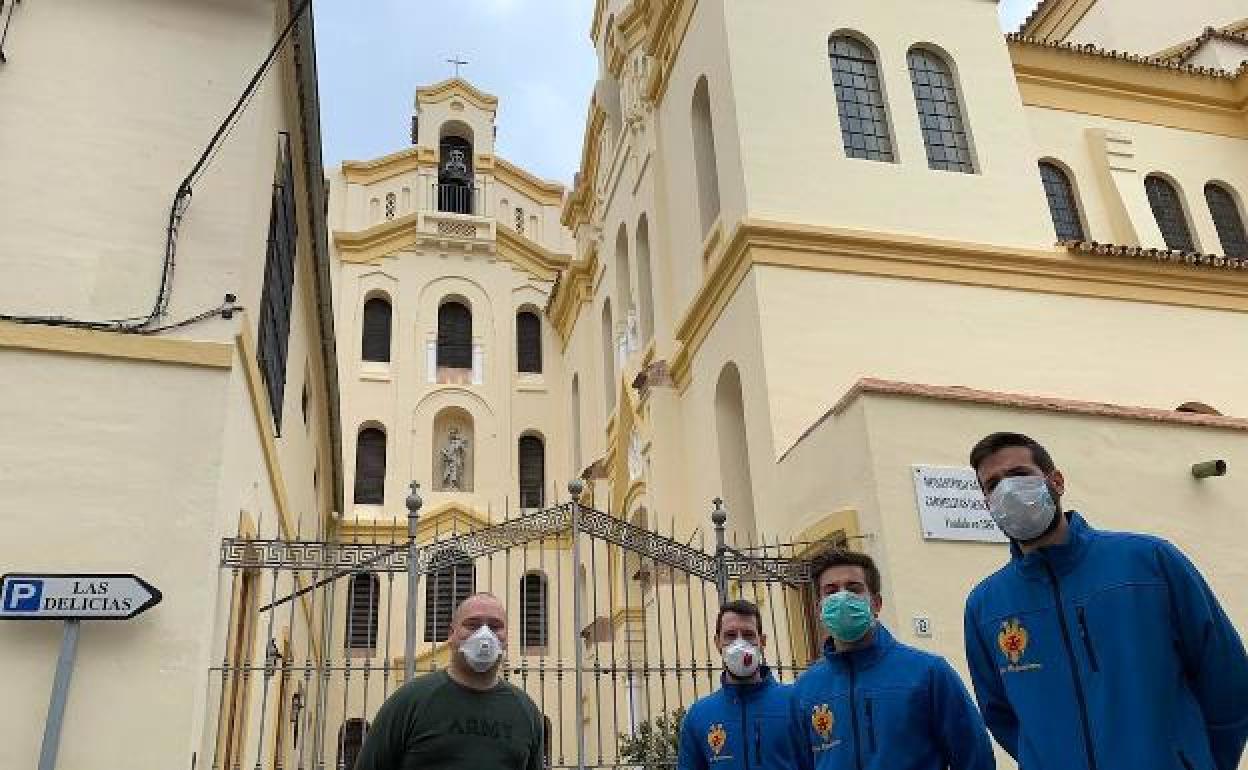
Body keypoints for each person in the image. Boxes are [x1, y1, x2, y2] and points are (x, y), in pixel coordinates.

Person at [963, 432, 1248, 770]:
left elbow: (1226, 678)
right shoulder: (985, 607)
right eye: (992, 484)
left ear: (1056, 481)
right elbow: (1001, 715)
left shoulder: (1149, 563)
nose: (1006, 491)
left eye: (1019, 475)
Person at [793, 549, 994, 770]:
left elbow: (974, 757)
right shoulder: (805, 690)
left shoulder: (928, 674)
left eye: (853, 589)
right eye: (830, 591)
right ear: (819, 609)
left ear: (876, 604)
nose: (842, 598)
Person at [354, 592, 544, 770]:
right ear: (451, 634)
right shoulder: (409, 701)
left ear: (506, 638)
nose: (485, 634)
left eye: (495, 626)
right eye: (473, 625)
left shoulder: (526, 711)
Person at [677, 598, 808, 770]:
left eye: (748, 635)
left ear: (762, 641)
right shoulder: (699, 716)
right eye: (730, 636)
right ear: (717, 643)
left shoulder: (795, 703)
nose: (739, 643)